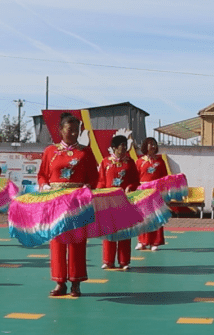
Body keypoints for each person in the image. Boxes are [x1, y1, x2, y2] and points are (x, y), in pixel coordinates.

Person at [37, 113, 99, 296]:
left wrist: (87, 187)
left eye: (76, 130)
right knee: (57, 241)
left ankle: (76, 282)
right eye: (69, 130)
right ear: (60, 130)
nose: (73, 133)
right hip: (55, 202)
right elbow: (42, 174)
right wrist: (45, 185)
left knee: (77, 241)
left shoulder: (85, 152)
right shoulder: (50, 151)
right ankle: (59, 282)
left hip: (77, 203)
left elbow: (94, 177)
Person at [99, 135, 140, 270]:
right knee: (109, 231)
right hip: (108, 201)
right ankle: (108, 261)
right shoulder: (105, 162)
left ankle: (124, 261)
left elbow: (136, 181)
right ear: (114, 148)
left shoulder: (130, 162)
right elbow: (101, 181)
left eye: (125, 144)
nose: (124, 147)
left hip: (125, 201)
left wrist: (130, 188)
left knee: (124, 231)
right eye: (121, 145)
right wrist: (99, 193)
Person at [135, 137, 167, 251]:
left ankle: (155, 242)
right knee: (143, 217)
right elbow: (135, 178)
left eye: (154, 144)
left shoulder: (160, 161)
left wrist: (163, 192)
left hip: (156, 192)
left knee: (156, 216)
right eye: (150, 144)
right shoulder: (139, 161)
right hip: (143, 193)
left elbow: (164, 178)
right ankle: (142, 241)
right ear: (145, 146)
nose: (152, 146)